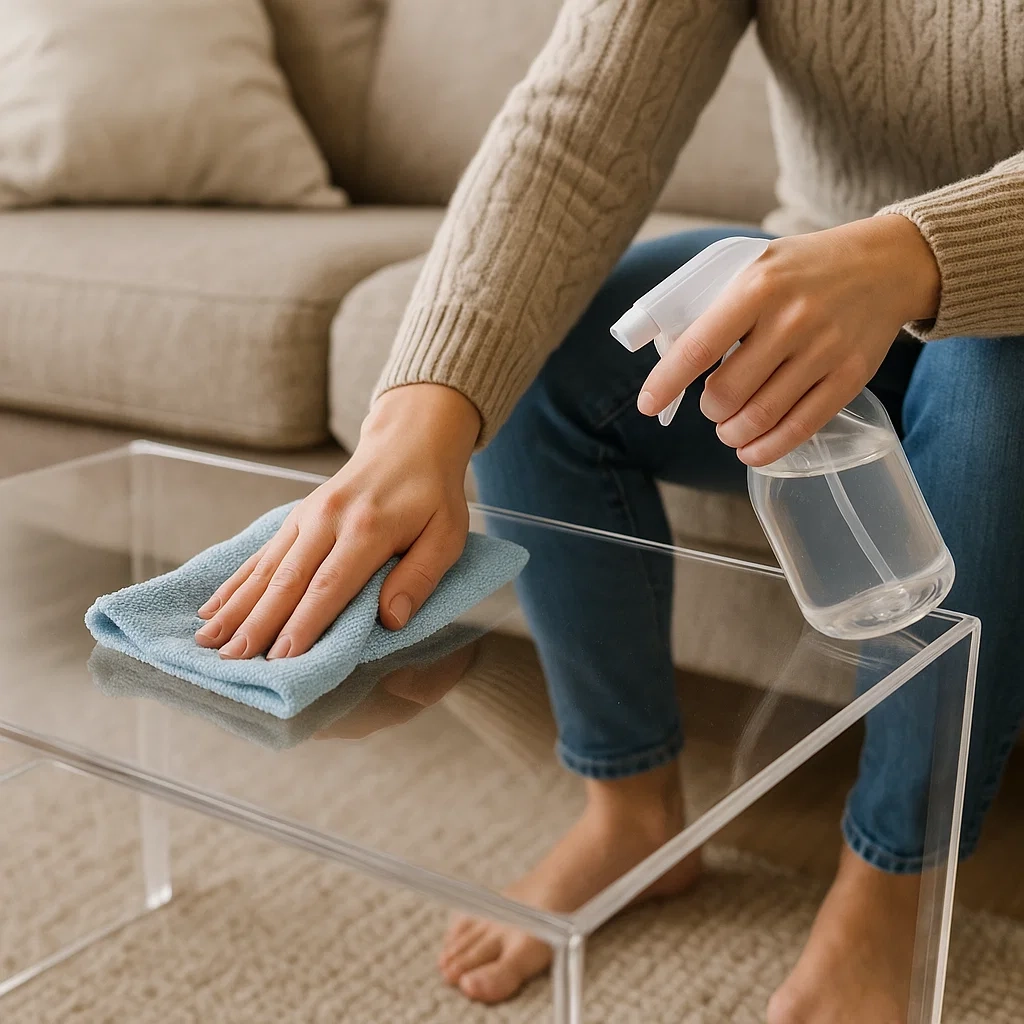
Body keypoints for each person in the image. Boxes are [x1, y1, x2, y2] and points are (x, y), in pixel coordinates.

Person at [191, 3, 1024, 1020]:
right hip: (814, 304)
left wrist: (911, 251)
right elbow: (572, 126)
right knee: (526, 351)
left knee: (1001, 378)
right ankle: (632, 807)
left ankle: (890, 881)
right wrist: (417, 417)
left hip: (1006, 325)